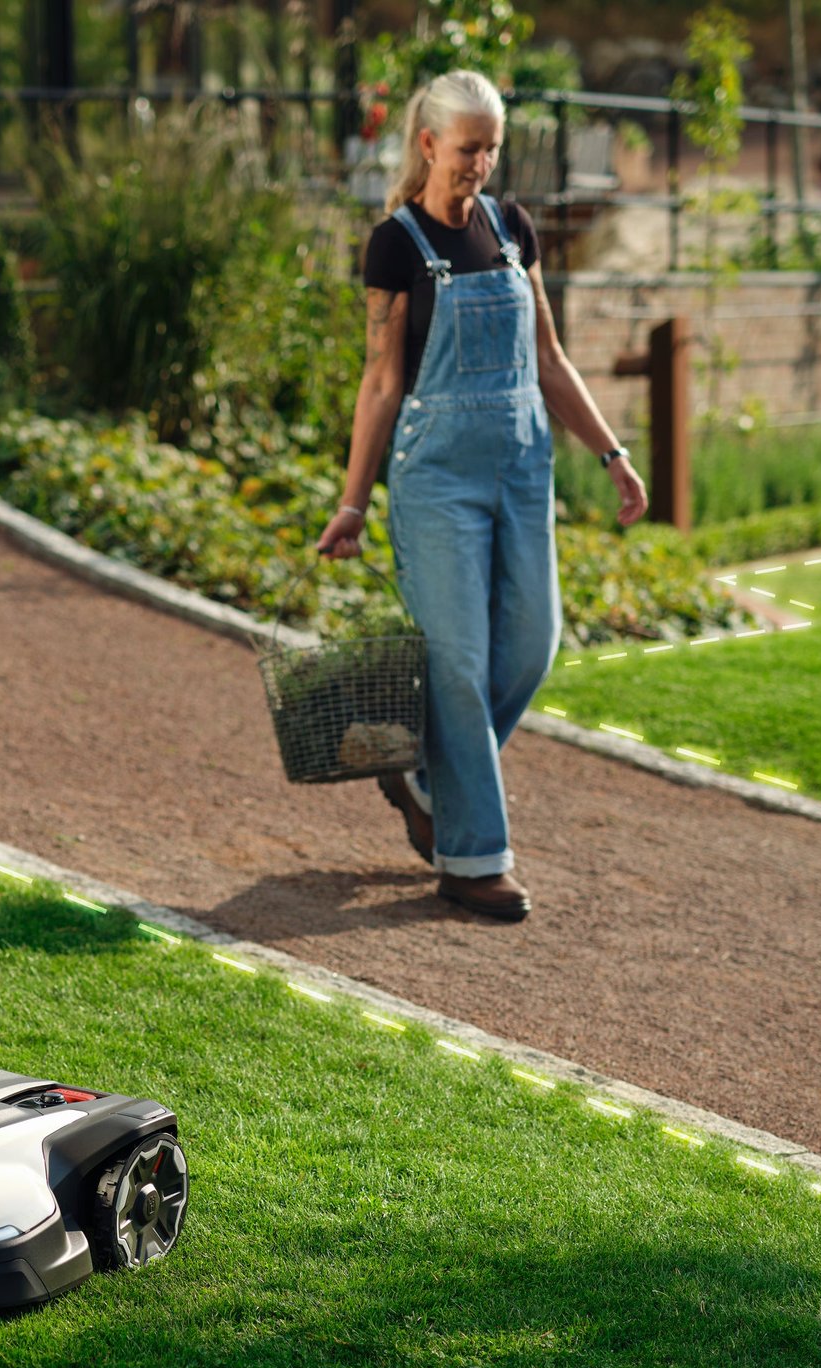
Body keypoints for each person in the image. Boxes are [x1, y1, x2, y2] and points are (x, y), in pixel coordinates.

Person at [317, 69, 647, 922]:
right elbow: (382, 382)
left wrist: (611, 452)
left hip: (521, 467)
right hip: (436, 480)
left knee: (533, 645)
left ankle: (427, 776)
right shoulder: (394, 245)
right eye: (469, 148)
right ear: (429, 143)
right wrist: (354, 501)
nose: (482, 164)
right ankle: (474, 861)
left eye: (492, 147)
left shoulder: (513, 230)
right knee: (457, 664)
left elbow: (550, 358)